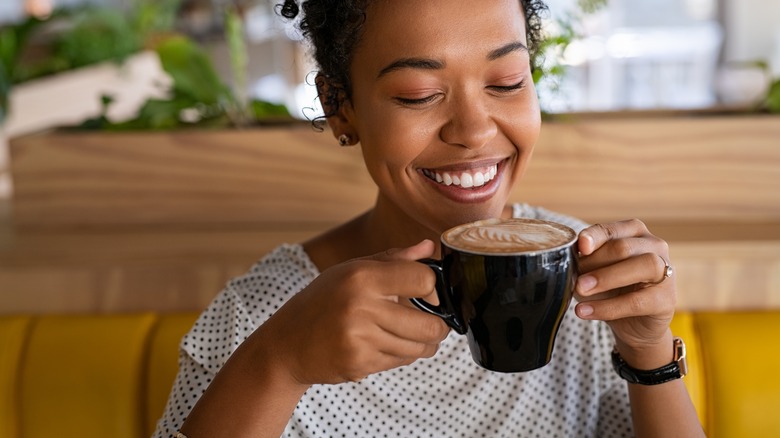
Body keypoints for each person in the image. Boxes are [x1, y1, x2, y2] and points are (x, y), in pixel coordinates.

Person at [154, 0, 705, 436]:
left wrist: (648, 352)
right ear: (341, 107)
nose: (473, 129)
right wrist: (278, 365)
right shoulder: (259, 319)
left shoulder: (586, 279)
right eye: (419, 95)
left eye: (507, 81)